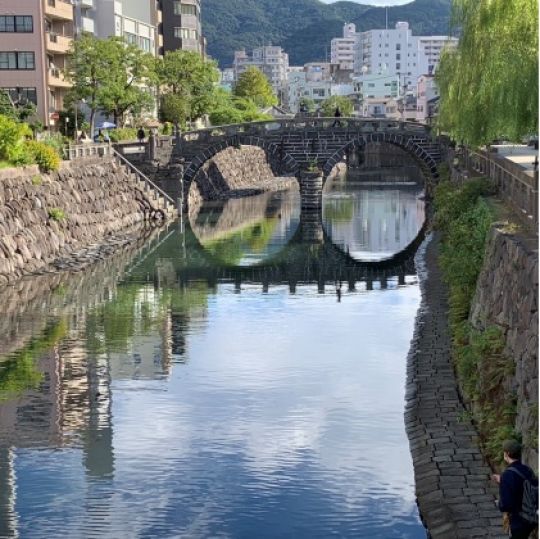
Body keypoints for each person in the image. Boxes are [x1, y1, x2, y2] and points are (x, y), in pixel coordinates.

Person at [492, 439, 538, 538]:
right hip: (532, 517)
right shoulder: (527, 470)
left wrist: (503, 483)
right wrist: (503, 481)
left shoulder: (507, 475)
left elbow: (506, 505)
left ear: (507, 454)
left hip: (519, 520)